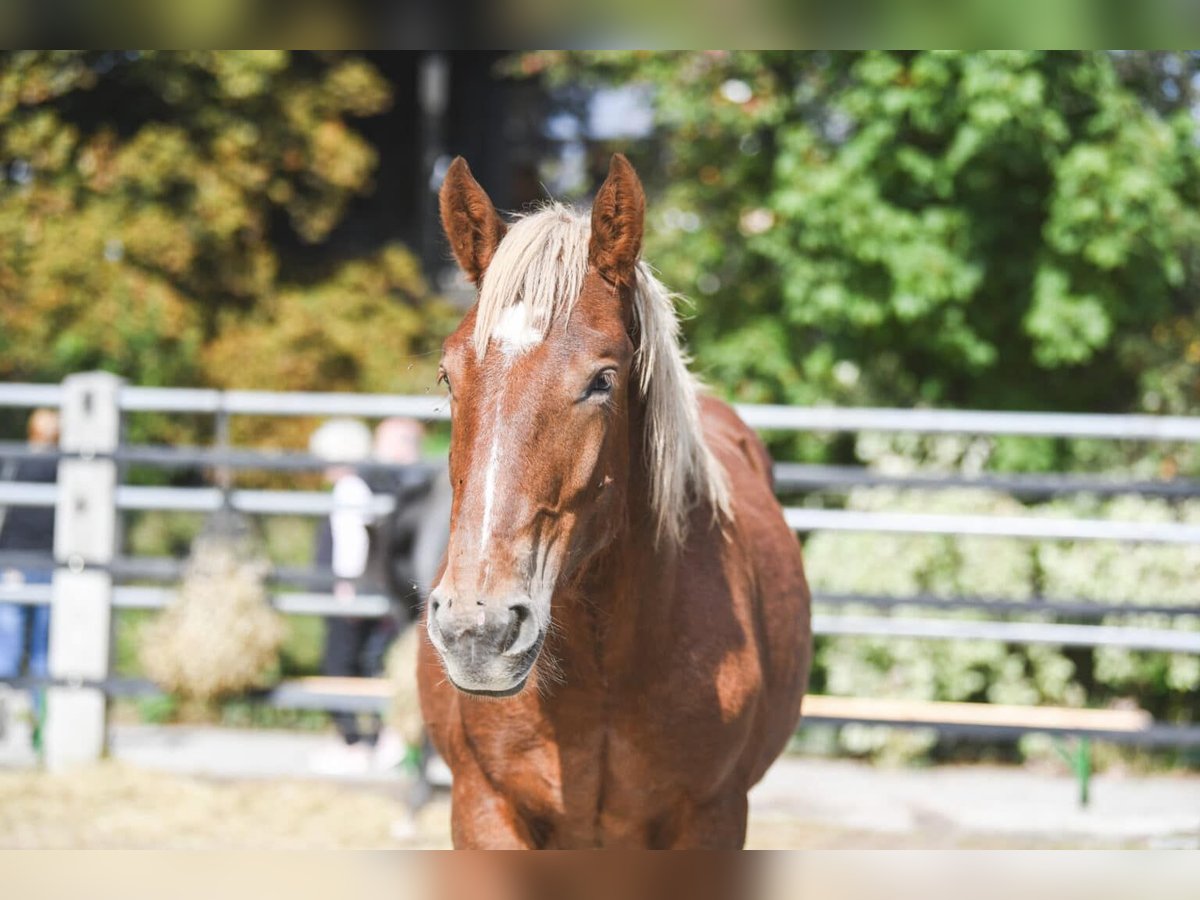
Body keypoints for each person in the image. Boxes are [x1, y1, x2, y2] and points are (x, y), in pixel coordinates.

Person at [308, 417, 380, 775]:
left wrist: (347, 588)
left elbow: (352, 541)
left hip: (346, 595)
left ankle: (355, 742)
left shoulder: (349, 488)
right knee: (358, 663)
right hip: (351, 592)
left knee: (339, 664)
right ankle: (360, 740)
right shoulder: (359, 486)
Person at [0, 408, 60, 749]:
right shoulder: (17, 463)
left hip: (36, 566)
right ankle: (26, 729)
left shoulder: (58, 465)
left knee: (38, 652)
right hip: (21, 566)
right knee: (20, 651)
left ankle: (37, 729)